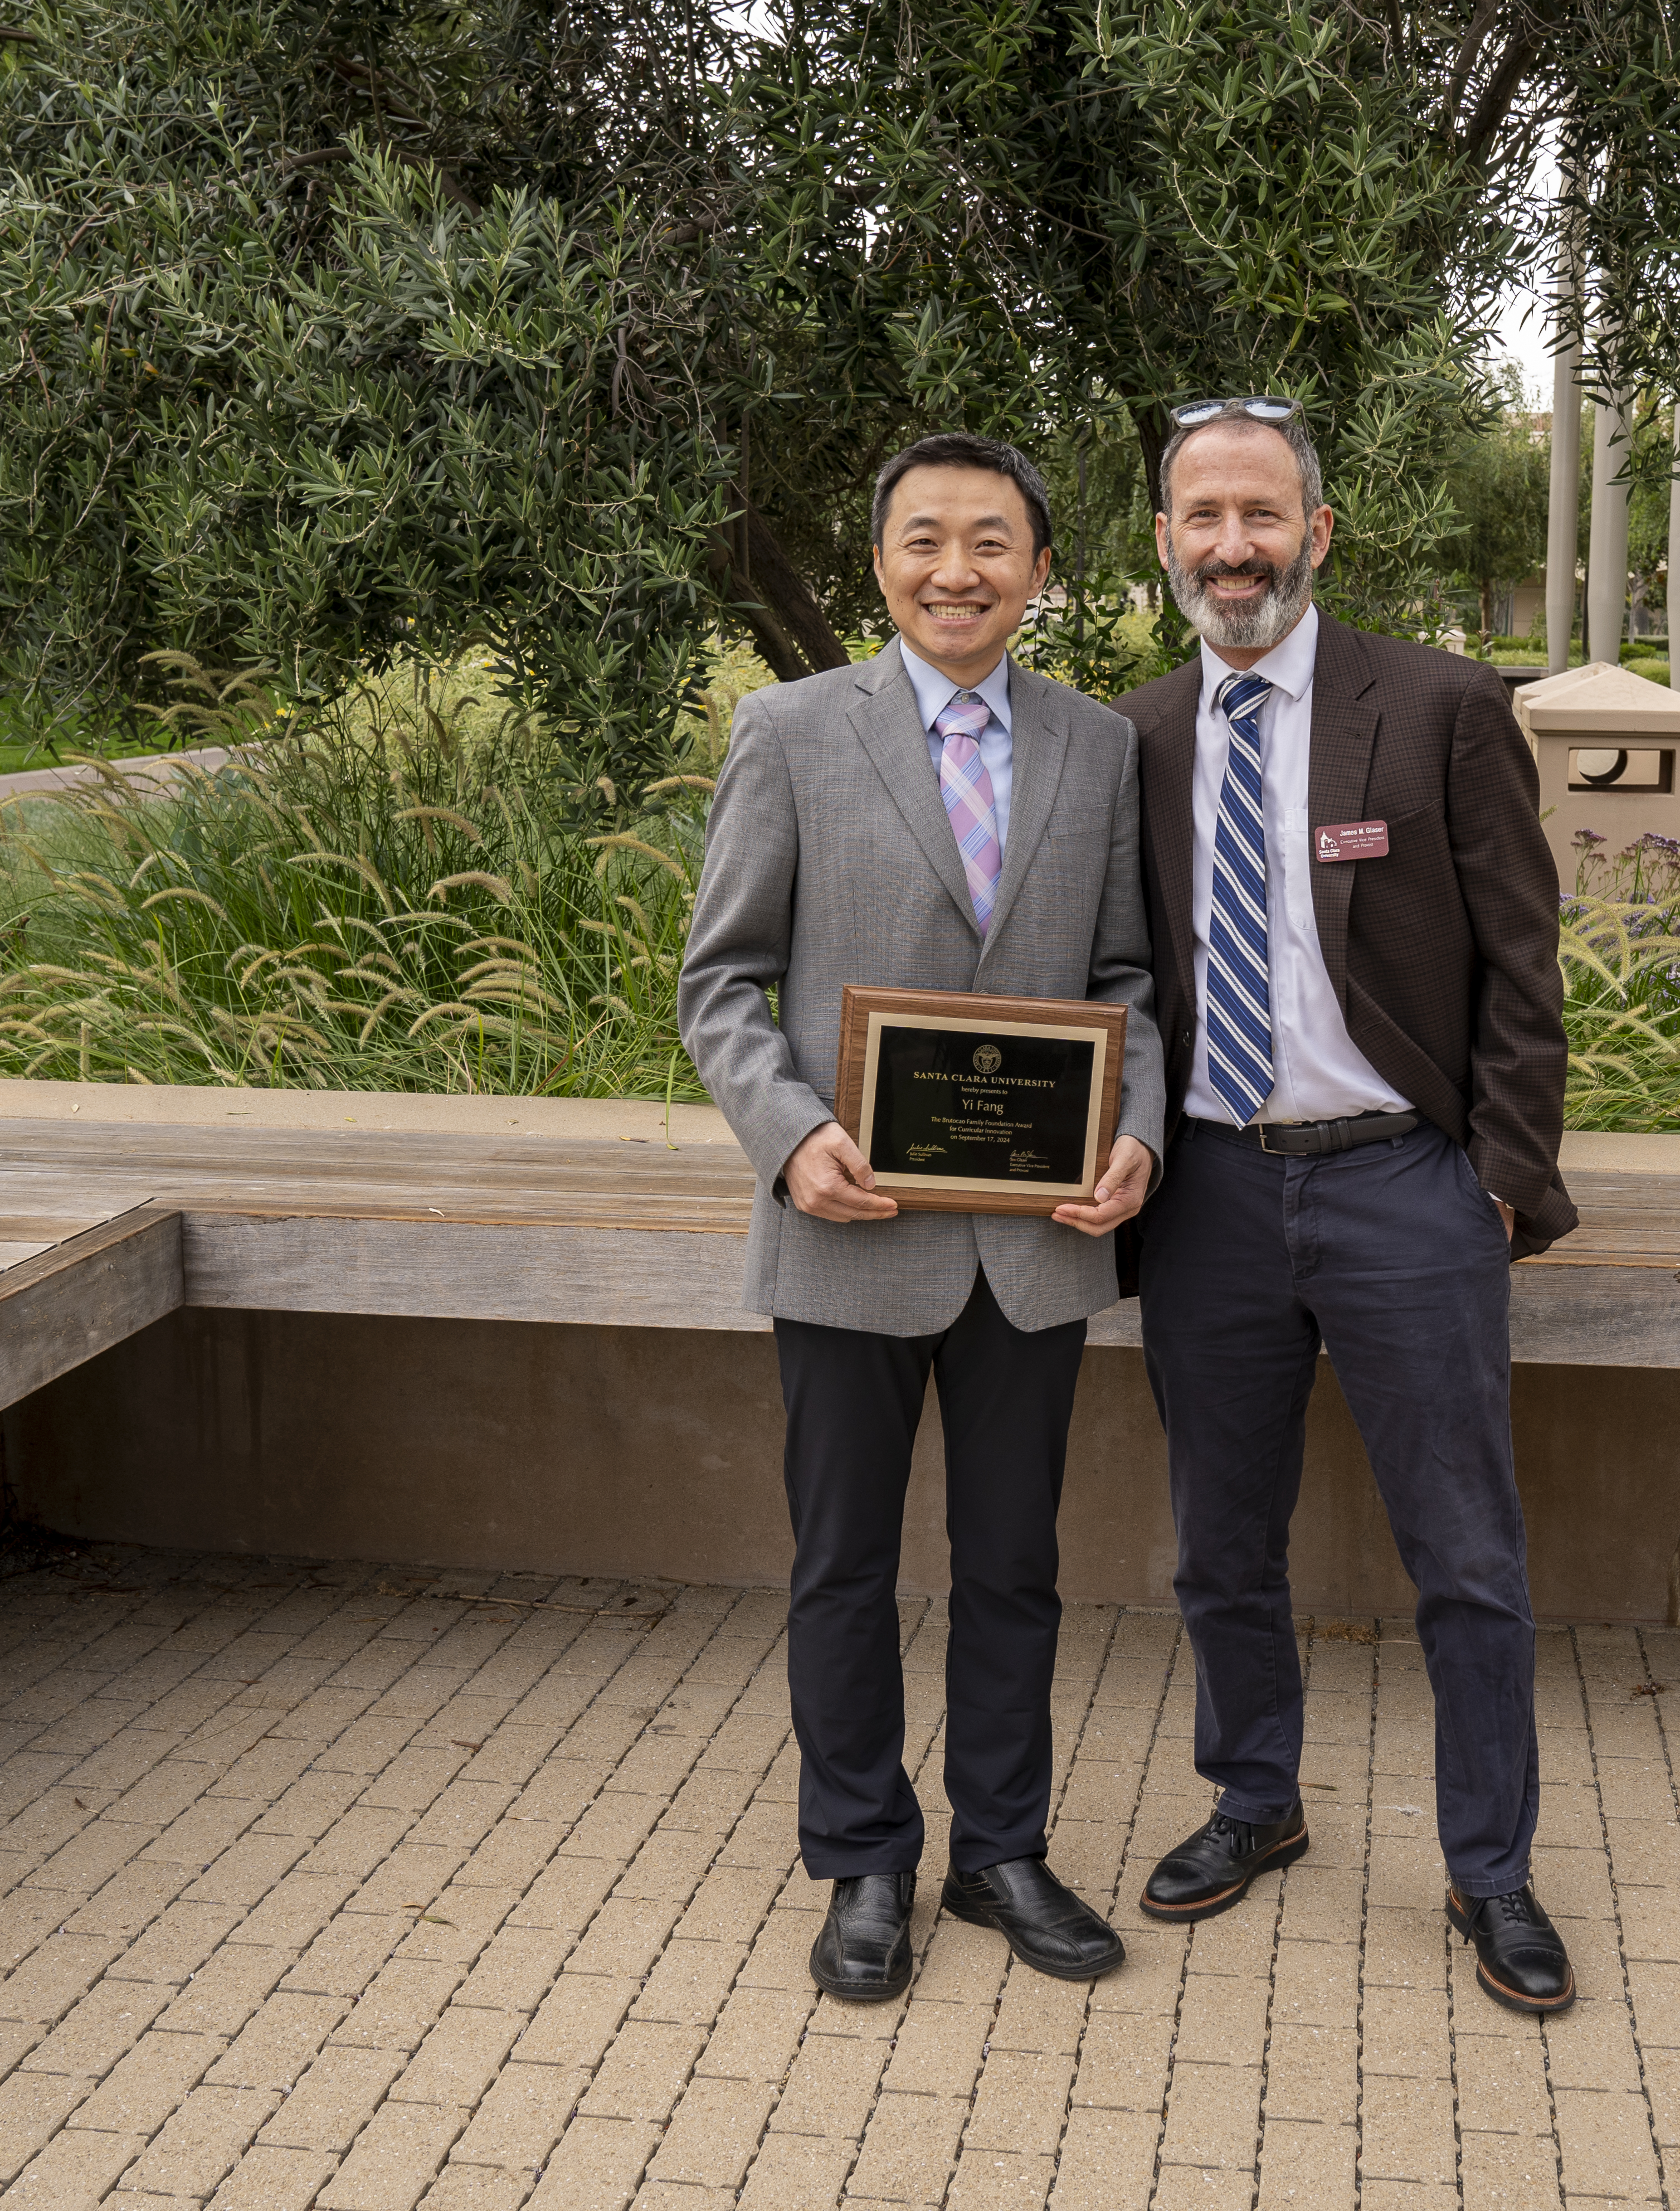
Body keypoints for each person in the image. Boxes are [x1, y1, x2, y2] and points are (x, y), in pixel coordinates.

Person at [677, 433, 1168, 2003]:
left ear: (1041, 567)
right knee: (842, 1566)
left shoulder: (1099, 748)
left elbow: (1126, 989)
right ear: (878, 559)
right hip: (846, 1226)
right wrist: (790, 1133)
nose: (957, 569)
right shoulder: (792, 731)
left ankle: (1003, 1853)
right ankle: (864, 1859)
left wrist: (1139, 1136)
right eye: (923, 539)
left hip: (1033, 1246)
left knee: (1015, 1565)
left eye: (992, 541)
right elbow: (722, 984)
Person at [1113, 396, 1581, 2014]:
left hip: (1405, 1189)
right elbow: (1127, 982)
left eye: (1261, 515)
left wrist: (1501, 1190)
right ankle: (1256, 1804)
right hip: (1213, 1199)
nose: (1231, 547)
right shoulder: (1143, 731)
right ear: (1165, 541)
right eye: (1201, 517)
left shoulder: (1441, 707)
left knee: (1466, 1554)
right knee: (1221, 1545)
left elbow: (1527, 965)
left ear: (1317, 532)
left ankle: (1493, 1873)